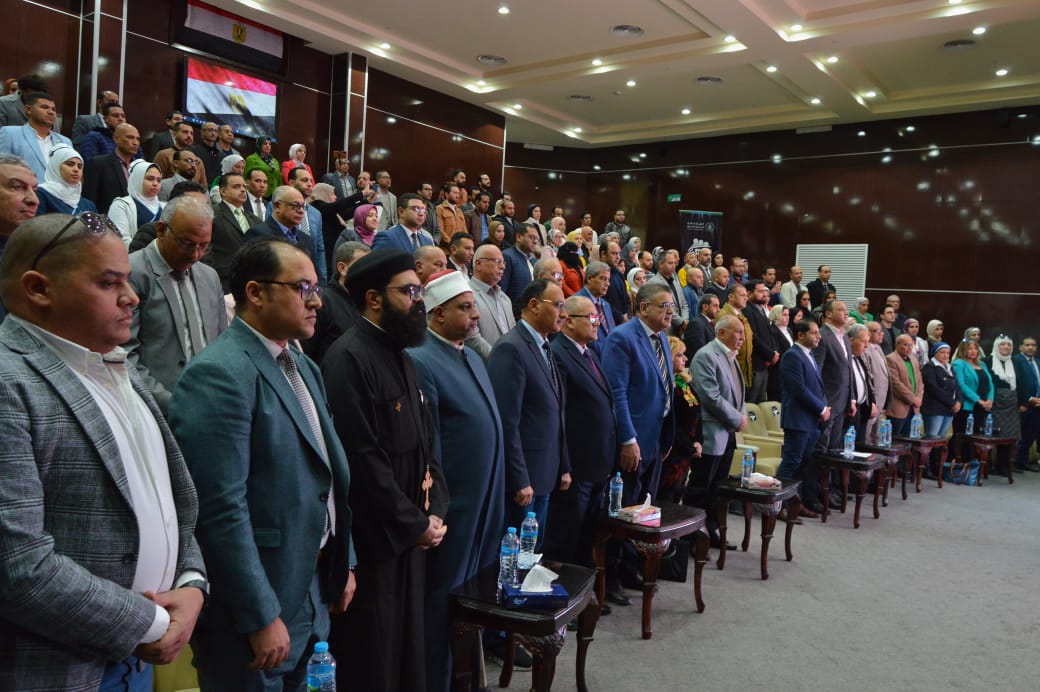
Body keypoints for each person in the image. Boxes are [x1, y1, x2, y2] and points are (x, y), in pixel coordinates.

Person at [0, 212, 205, 689]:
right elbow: (18, 564)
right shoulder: (9, 383)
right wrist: (152, 622)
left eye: (127, 280)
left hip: (136, 660)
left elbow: (169, 501)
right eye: (109, 283)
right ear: (39, 289)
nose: (131, 296)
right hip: (63, 668)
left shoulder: (117, 366)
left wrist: (192, 583)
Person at [170, 238, 355, 691]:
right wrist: (259, 613)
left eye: (317, 288)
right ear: (255, 292)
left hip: (313, 585)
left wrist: (344, 561)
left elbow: (326, 476)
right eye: (303, 288)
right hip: (257, 605)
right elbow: (219, 510)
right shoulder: (219, 373)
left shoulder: (303, 366)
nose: (316, 301)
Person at [323, 248, 448, 692]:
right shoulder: (348, 359)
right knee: (375, 659)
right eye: (409, 292)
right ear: (374, 299)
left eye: (419, 291)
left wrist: (436, 510)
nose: (419, 301)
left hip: (411, 537)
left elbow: (428, 444)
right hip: (377, 544)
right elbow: (363, 461)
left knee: (407, 654)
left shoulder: (403, 356)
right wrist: (414, 523)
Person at [408, 270, 505, 691]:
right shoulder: (422, 359)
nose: (475, 315)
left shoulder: (470, 356)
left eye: (474, 306)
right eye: (465, 308)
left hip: (486, 504)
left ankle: (467, 678)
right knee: (444, 602)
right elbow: (430, 449)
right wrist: (438, 509)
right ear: (437, 314)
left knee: (476, 598)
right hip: (456, 509)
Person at [125, 195, 227, 414]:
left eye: (204, 246)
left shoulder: (209, 276)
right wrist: (169, 404)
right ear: (161, 230)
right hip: (158, 408)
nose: (196, 255)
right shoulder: (131, 273)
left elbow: (222, 343)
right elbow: (125, 354)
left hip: (211, 401)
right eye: (187, 244)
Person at [487, 279, 570, 545]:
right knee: (515, 556)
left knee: (532, 554)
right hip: (524, 482)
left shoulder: (543, 345)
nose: (564, 314)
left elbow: (555, 411)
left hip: (545, 472)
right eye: (558, 305)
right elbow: (507, 421)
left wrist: (564, 465)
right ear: (534, 305)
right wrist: (519, 478)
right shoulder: (511, 348)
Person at [544, 294, 617, 571]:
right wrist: (564, 464)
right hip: (575, 466)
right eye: (591, 317)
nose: (597, 323)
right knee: (566, 539)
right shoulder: (558, 354)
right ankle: (564, 591)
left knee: (587, 537)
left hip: (596, 464)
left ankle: (583, 589)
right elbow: (559, 415)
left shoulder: (589, 353)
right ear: (569, 321)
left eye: (597, 317)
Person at [602, 282, 675, 512]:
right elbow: (617, 394)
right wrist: (628, 439)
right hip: (633, 440)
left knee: (646, 509)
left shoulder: (662, 337)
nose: (671, 312)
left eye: (672, 306)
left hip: (656, 438)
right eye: (664, 306)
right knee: (625, 510)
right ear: (643, 308)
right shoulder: (622, 338)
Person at [688, 315, 747, 545]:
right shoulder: (706, 355)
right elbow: (710, 396)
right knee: (701, 488)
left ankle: (710, 531)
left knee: (717, 488)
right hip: (711, 433)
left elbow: (738, 393)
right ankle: (694, 538)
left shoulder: (731, 356)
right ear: (722, 332)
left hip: (728, 433)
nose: (742, 338)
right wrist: (737, 418)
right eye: (738, 332)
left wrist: (740, 415)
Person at [777, 319, 829, 516]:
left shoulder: (809, 354)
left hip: (811, 421)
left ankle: (794, 503)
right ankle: (780, 506)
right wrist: (821, 408)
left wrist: (824, 406)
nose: (818, 336)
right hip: (798, 420)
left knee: (803, 465)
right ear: (800, 335)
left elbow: (816, 386)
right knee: (791, 463)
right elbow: (798, 389)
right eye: (814, 332)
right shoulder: (792, 355)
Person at [303, 240, 370, 365]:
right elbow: (307, 353)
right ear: (342, 268)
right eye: (362, 265)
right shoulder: (323, 303)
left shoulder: (368, 302)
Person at [658, 336, 702, 504]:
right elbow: (670, 422)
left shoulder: (684, 383)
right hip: (672, 453)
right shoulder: (665, 385)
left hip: (686, 453)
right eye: (679, 355)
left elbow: (698, 413)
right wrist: (689, 447)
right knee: (665, 499)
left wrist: (698, 441)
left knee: (678, 496)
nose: (685, 358)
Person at [244, 185, 318, 275]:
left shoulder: (307, 240)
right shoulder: (258, 235)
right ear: (277, 206)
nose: (301, 211)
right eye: (295, 205)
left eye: (303, 206)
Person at [0, 92, 72, 180]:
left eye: (53, 109)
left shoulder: (65, 142)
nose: (51, 112)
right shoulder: (10, 133)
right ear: (28, 109)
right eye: (44, 107)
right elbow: (2, 169)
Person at [207, 171, 258, 293]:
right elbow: (205, 250)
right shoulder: (211, 214)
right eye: (236, 186)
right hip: (222, 281)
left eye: (244, 186)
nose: (243, 190)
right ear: (223, 191)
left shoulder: (255, 220)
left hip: (250, 280)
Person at [82, 123, 143, 213]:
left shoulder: (140, 167)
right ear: (116, 138)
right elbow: (90, 200)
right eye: (130, 137)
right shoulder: (99, 164)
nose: (135, 143)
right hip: (107, 218)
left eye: (138, 139)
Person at [951, 339, 994, 462]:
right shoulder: (958, 363)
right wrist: (978, 400)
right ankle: (958, 464)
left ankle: (973, 465)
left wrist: (990, 400)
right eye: (970, 348)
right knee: (963, 437)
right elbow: (961, 385)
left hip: (983, 407)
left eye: (975, 348)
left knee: (976, 437)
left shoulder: (982, 364)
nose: (973, 351)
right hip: (967, 407)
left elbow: (990, 383)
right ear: (963, 350)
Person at [987, 334, 1025, 472]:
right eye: (1003, 344)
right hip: (994, 403)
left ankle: (1002, 466)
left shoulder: (1015, 362)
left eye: (1009, 345)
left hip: (1011, 404)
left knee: (1008, 436)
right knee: (991, 434)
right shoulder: (987, 361)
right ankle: (987, 465)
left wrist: (1023, 403)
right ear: (996, 346)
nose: (1006, 347)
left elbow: (1022, 383)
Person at [108, 160, 163, 247]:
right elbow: (121, 239)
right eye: (150, 179)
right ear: (137, 179)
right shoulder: (121, 205)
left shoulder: (165, 206)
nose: (155, 183)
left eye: (159, 180)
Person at [470, 243, 515, 348]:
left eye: (503, 262)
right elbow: (471, 338)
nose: (502, 267)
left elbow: (513, 334)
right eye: (497, 261)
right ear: (478, 264)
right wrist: (497, 357)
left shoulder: (505, 298)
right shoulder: (467, 295)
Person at [34, 145, 97, 215]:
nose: (76, 169)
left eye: (79, 167)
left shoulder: (88, 205)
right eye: (70, 164)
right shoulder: (41, 194)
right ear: (56, 166)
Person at [921, 341, 960, 440]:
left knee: (942, 439)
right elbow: (933, 389)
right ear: (935, 353)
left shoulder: (950, 367)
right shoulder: (930, 367)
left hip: (949, 409)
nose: (945, 355)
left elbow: (957, 386)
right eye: (942, 352)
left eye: (948, 353)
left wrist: (959, 401)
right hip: (935, 409)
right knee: (932, 437)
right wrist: (952, 403)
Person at [886, 334, 924, 437]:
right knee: (896, 439)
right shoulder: (891, 359)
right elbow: (895, 384)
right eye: (906, 345)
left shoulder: (914, 359)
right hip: (898, 408)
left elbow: (920, 382)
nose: (909, 348)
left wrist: (919, 398)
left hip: (914, 408)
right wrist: (913, 399)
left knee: (910, 439)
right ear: (897, 345)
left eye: (911, 345)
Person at [1013, 337, 1040, 472]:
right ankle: (1013, 462)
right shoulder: (1016, 361)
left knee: (1031, 434)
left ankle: (1022, 462)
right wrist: (1027, 399)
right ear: (1020, 347)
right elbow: (1016, 383)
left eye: (1033, 345)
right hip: (1023, 403)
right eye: (1027, 345)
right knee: (1020, 435)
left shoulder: (1037, 362)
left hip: (1037, 405)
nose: (1030, 347)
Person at [766, 304, 793, 401]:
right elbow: (777, 350)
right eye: (784, 315)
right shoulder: (772, 331)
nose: (787, 317)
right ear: (776, 315)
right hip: (778, 370)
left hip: (790, 369)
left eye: (788, 315)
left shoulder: (789, 330)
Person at [684, 292, 720, 358]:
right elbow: (700, 351)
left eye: (718, 306)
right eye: (715, 306)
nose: (718, 310)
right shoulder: (696, 324)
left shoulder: (710, 323)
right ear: (705, 307)